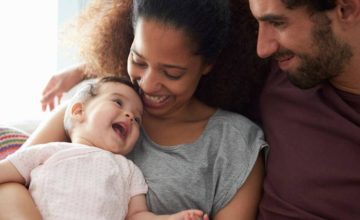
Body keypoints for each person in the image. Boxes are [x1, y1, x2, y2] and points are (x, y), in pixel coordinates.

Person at [0, 0, 270, 219]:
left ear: (208, 64)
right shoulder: (96, 103)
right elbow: (8, 183)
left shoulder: (235, 145)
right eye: (138, 60)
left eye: (172, 73)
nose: (148, 84)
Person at [0, 76, 208, 220]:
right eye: (118, 102)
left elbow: (137, 216)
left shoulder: (128, 171)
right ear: (79, 110)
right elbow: (6, 170)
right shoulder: (49, 151)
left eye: (137, 119)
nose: (129, 116)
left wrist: (171, 218)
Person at [249, 0, 360, 219]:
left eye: (278, 23)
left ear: (346, 9)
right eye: (257, 25)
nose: (262, 48)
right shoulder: (281, 70)